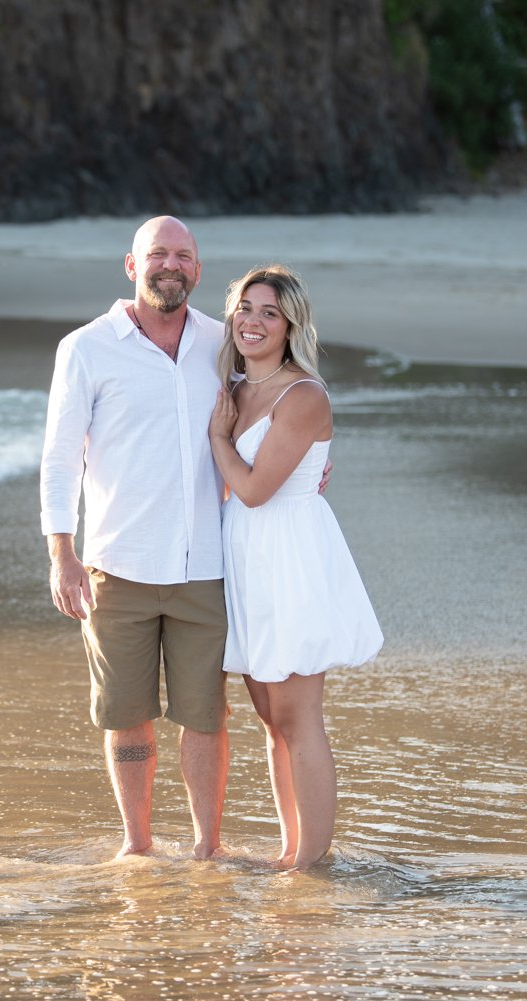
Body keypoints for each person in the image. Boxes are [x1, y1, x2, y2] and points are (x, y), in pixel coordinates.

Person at [40, 216, 231, 860]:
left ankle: (208, 848)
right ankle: (138, 845)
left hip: (205, 563)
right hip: (115, 565)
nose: (169, 265)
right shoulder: (87, 348)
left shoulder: (223, 342)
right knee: (126, 713)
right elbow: (61, 458)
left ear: (198, 270)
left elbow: (271, 411)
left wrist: (314, 459)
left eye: (183, 255)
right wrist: (61, 554)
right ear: (132, 265)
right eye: (158, 254)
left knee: (204, 715)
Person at [207, 264, 383, 870]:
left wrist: (219, 441)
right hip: (245, 558)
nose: (253, 322)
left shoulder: (303, 394)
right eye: (245, 309)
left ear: (290, 326)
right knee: (268, 718)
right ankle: (290, 849)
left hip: (290, 556)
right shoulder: (232, 386)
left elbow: (255, 490)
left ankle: (311, 859)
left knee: (297, 715)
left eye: (269, 313)